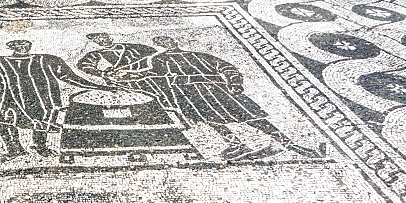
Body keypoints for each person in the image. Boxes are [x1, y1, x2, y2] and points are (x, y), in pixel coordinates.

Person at [106, 36, 325, 160]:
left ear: (172, 43)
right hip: (188, 93)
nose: (166, 46)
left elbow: (146, 74)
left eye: (166, 42)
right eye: (163, 43)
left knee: (249, 116)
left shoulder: (184, 57)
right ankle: (237, 144)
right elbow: (148, 74)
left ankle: (292, 145)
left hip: (210, 89)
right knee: (209, 119)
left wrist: (235, 84)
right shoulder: (163, 59)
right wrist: (123, 78)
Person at [0, 39, 108, 162]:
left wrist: (98, 87)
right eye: (19, 44)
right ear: (12, 47)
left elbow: (70, 77)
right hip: (10, 97)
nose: (23, 47)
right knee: (2, 121)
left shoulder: (48, 60)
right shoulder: (0, 61)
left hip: (42, 98)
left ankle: (41, 146)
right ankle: (14, 148)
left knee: (42, 120)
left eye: (25, 44)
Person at [77, 33, 157, 80]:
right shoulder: (95, 54)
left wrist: (141, 72)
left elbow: (152, 55)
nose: (102, 41)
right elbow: (84, 65)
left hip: (142, 77)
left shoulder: (132, 47)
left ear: (110, 38)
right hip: (116, 81)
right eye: (97, 40)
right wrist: (103, 74)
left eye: (104, 38)